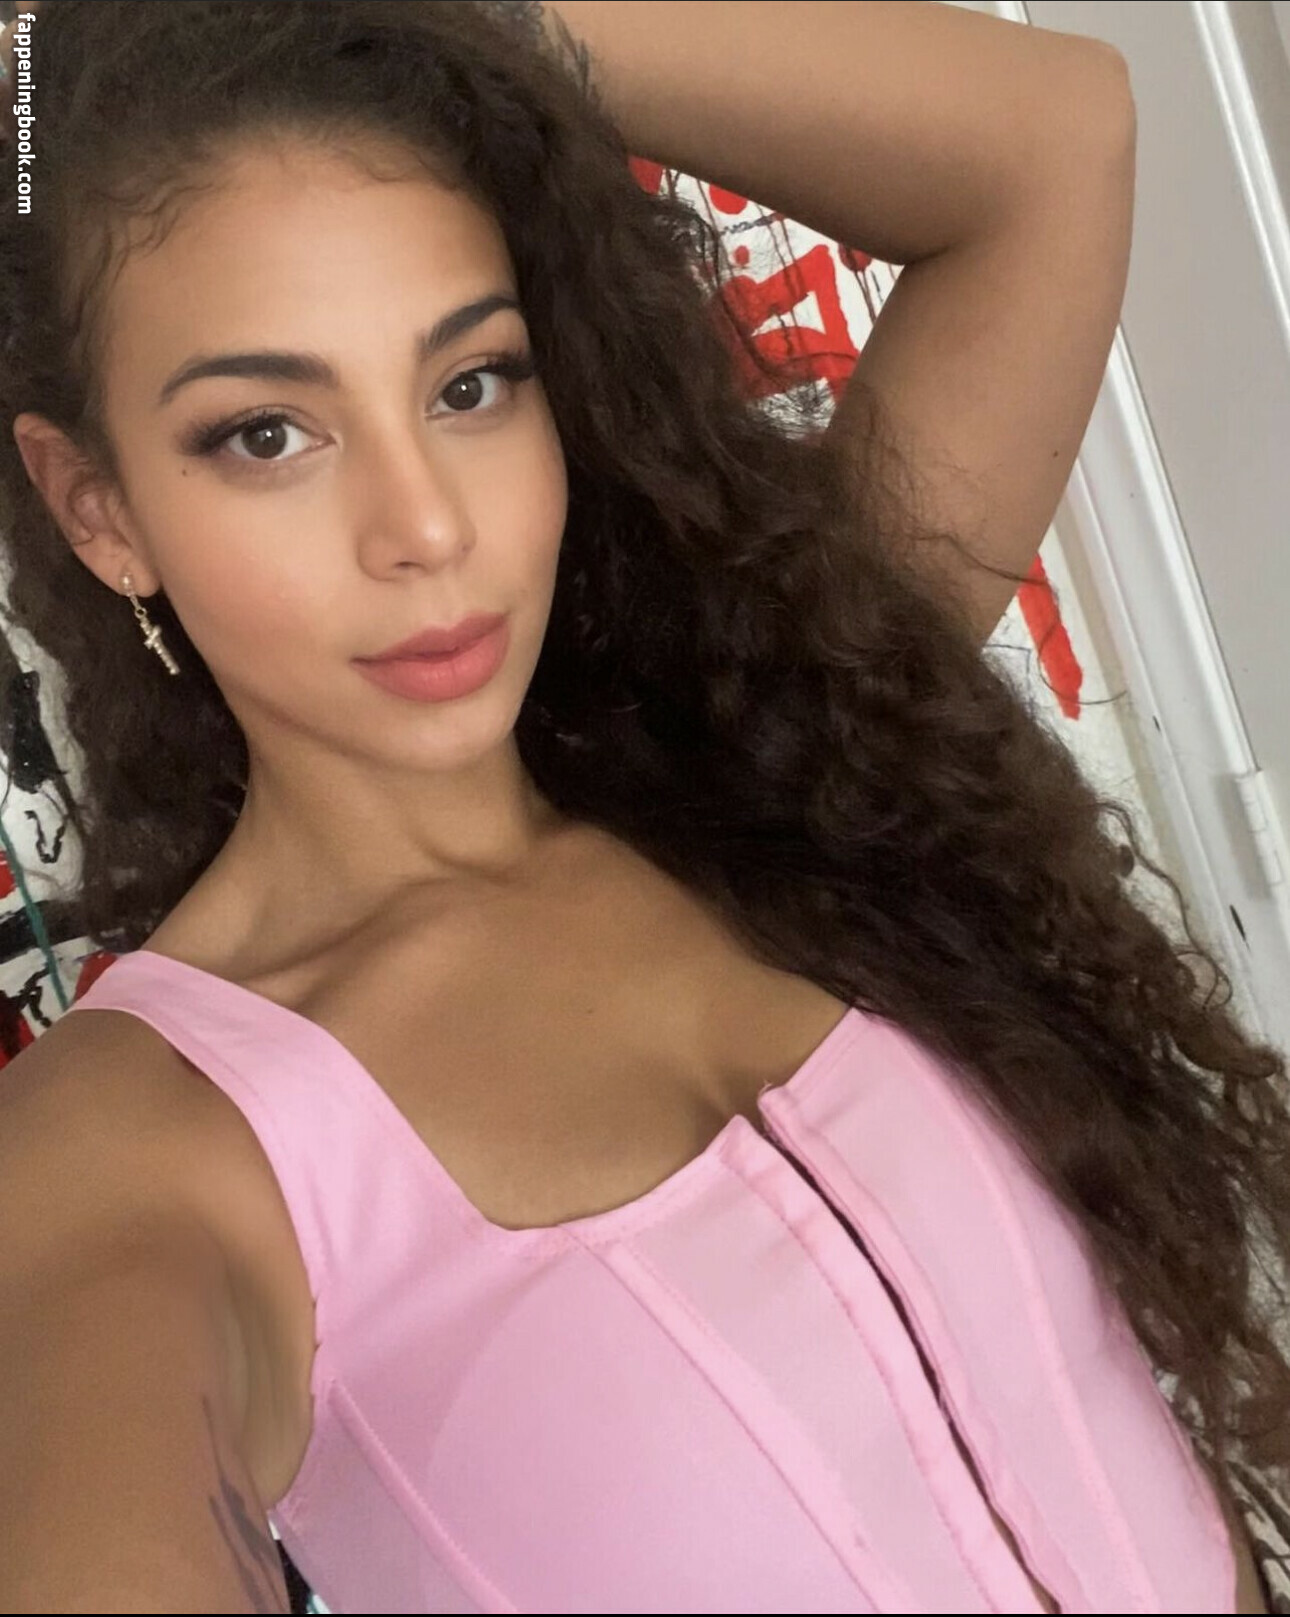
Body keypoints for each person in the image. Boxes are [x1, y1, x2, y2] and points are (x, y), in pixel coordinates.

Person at [0, 2, 1284, 1611]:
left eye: (471, 382)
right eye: (268, 433)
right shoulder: (146, 1142)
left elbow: (1056, 135)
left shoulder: (768, 760)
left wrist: (412, 20)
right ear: (100, 509)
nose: (425, 526)